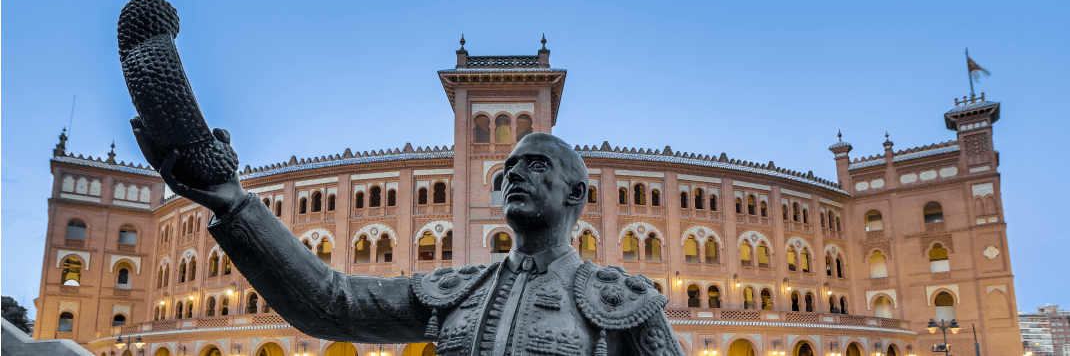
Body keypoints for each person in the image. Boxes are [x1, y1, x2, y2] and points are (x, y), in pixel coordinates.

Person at [132, 122, 684, 355]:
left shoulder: (625, 302)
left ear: (575, 194)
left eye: (535, 164)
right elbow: (332, 301)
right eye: (508, 167)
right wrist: (235, 205)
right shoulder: (459, 289)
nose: (513, 173)